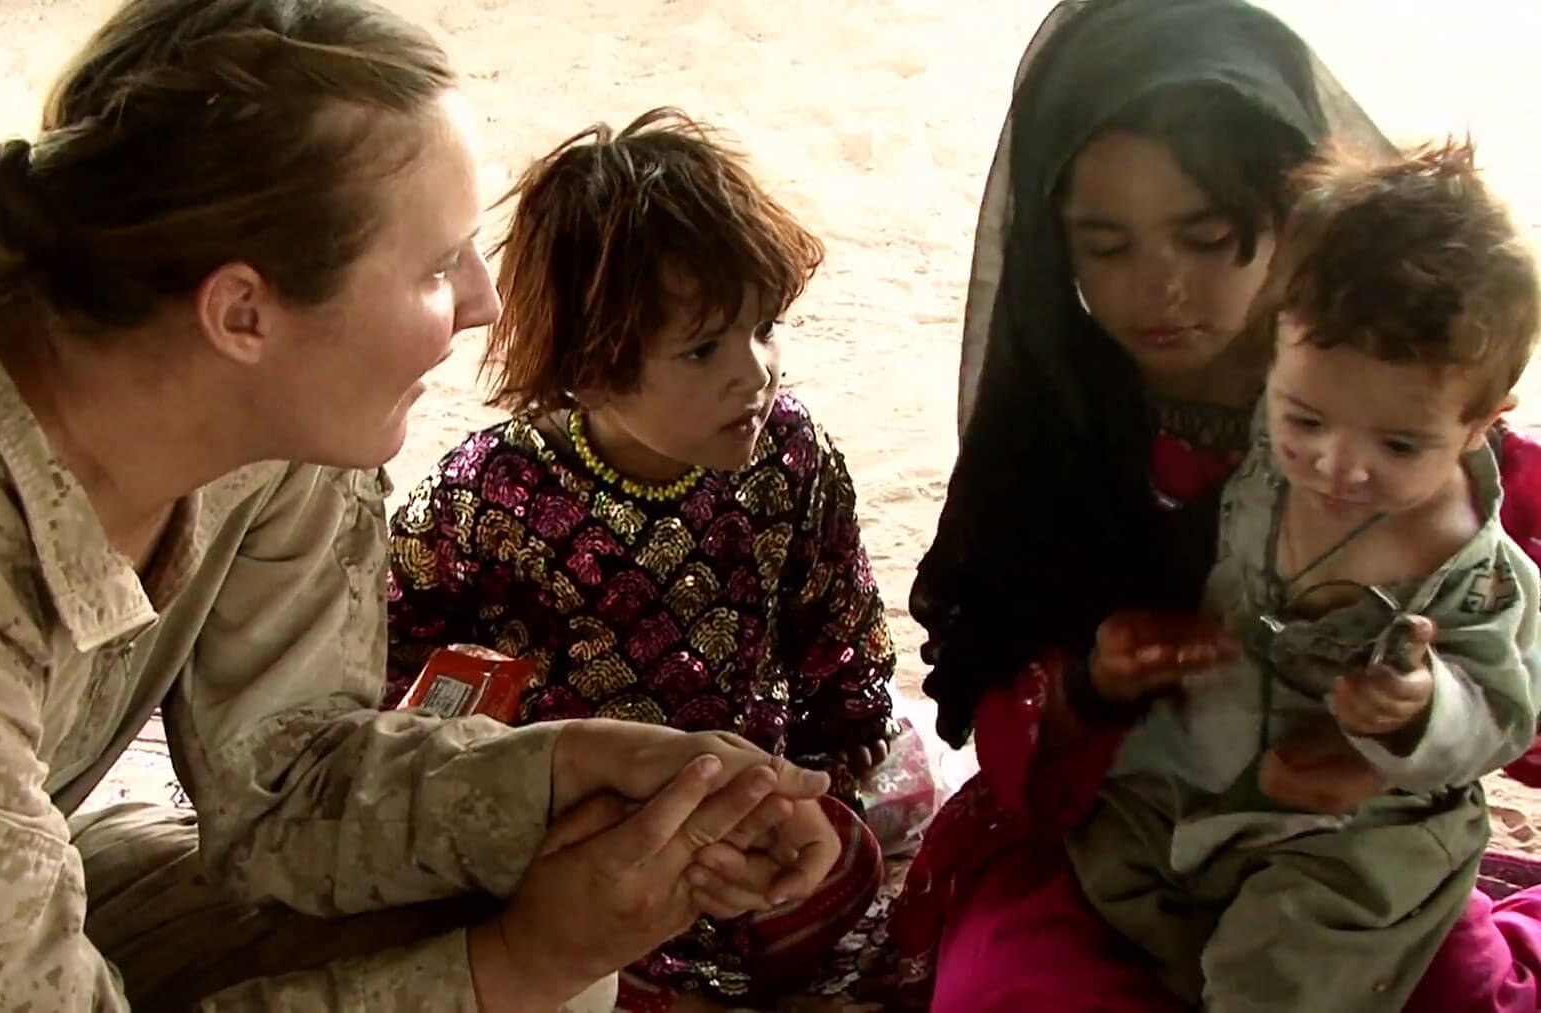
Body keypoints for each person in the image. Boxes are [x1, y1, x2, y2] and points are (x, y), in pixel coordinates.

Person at [0, 2, 848, 1010]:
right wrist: (514, 967)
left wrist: (591, 769)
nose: (482, 302)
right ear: (241, 312)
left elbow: (286, 783)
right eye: (435, 265)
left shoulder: (261, 407)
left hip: (25, 869)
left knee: (530, 887)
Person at [881, 1, 1541, 1010]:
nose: (1162, 287)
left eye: (1209, 234)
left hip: (1340, 860)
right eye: (1105, 245)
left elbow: (1508, 669)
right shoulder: (1054, 434)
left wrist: (1391, 747)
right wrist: (1091, 682)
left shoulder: (1420, 426)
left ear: (1291, 220)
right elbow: (998, 677)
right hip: (1127, 827)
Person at [381, 109, 896, 1011]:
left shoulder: (794, 458)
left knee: (852, 864)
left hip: (747, 800)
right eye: (702, 348)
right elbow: (400, 673)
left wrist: (806, 787)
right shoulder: (491, 497)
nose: (755, 372)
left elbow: (837, 640)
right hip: (582, 826)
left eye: (764, 327)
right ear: (590, 365)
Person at [1066, 140, 1541, 1011]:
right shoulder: (1266, 443)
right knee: (1107, 866)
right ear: (1273, 363)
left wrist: (1418, 711)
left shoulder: (1471, 566)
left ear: (1482, 423)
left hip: (1363, 819)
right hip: (1215, 748)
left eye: (1399, 444)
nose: (1336, 463)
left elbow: (1505, 711)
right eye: (1305, 416)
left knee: (1283, 973)